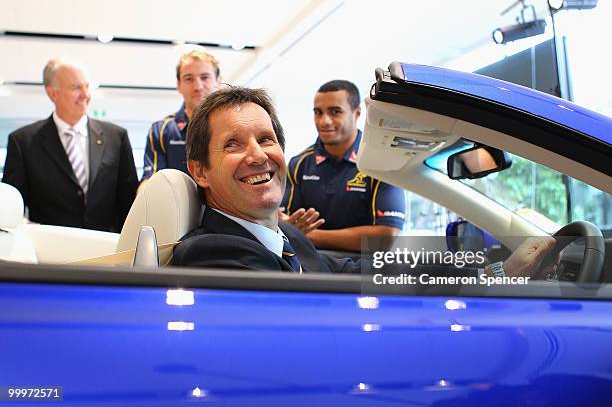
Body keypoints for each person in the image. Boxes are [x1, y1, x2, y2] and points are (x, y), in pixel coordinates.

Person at [171, 86, 556, 279]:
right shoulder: (216, 255)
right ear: (199, 170)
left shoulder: (285, 239)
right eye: (233, 144)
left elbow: (366, 268)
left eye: (266, 139)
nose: (258, 155)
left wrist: (487, 270)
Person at [2, 57, 138, 232]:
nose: (85, 95)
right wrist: (27, 226)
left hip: (107, 251)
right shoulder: (23, 142)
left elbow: (129, 203)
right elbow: (10, 206)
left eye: (87, 86)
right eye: (76, 88)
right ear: (53, 93)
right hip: (51, 253)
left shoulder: (117, 138)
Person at [280, 80, 406, 252]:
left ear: (357, 113)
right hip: (311, 267)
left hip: (362, 270)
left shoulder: (382, 163)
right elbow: (282, 223)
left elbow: (386, 237)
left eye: (335, 112)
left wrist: (310, 235)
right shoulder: (299, 164)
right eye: (318, 112)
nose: (324, 121)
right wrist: (288, 228)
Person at [140, 50, 222, 182]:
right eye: (189, 79)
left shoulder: (233, 127)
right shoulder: (161, 131)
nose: (198, 86)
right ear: (178, 85)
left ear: (218, 81)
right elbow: (151, 182)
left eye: (205, 77)